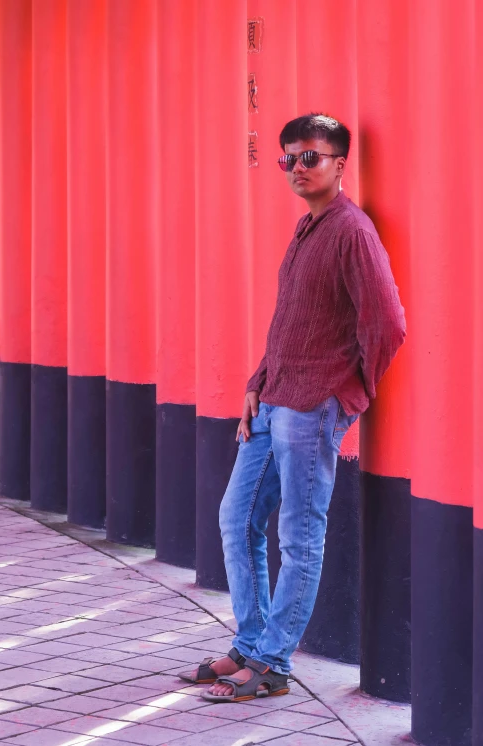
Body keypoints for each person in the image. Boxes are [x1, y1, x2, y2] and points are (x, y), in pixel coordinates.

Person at [179, 113, 406, 703]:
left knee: (299, 538)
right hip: (273, 400)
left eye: (311, 157)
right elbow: (292, 323)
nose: (298, 168)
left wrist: (348, 394)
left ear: (339, 163)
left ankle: (274, 665)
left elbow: (387, 323)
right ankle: (250, 644)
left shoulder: (352, 231)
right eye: (289, 159)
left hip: (313, 408)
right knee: (237, 519)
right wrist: (258, 378)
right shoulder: (308, 228)